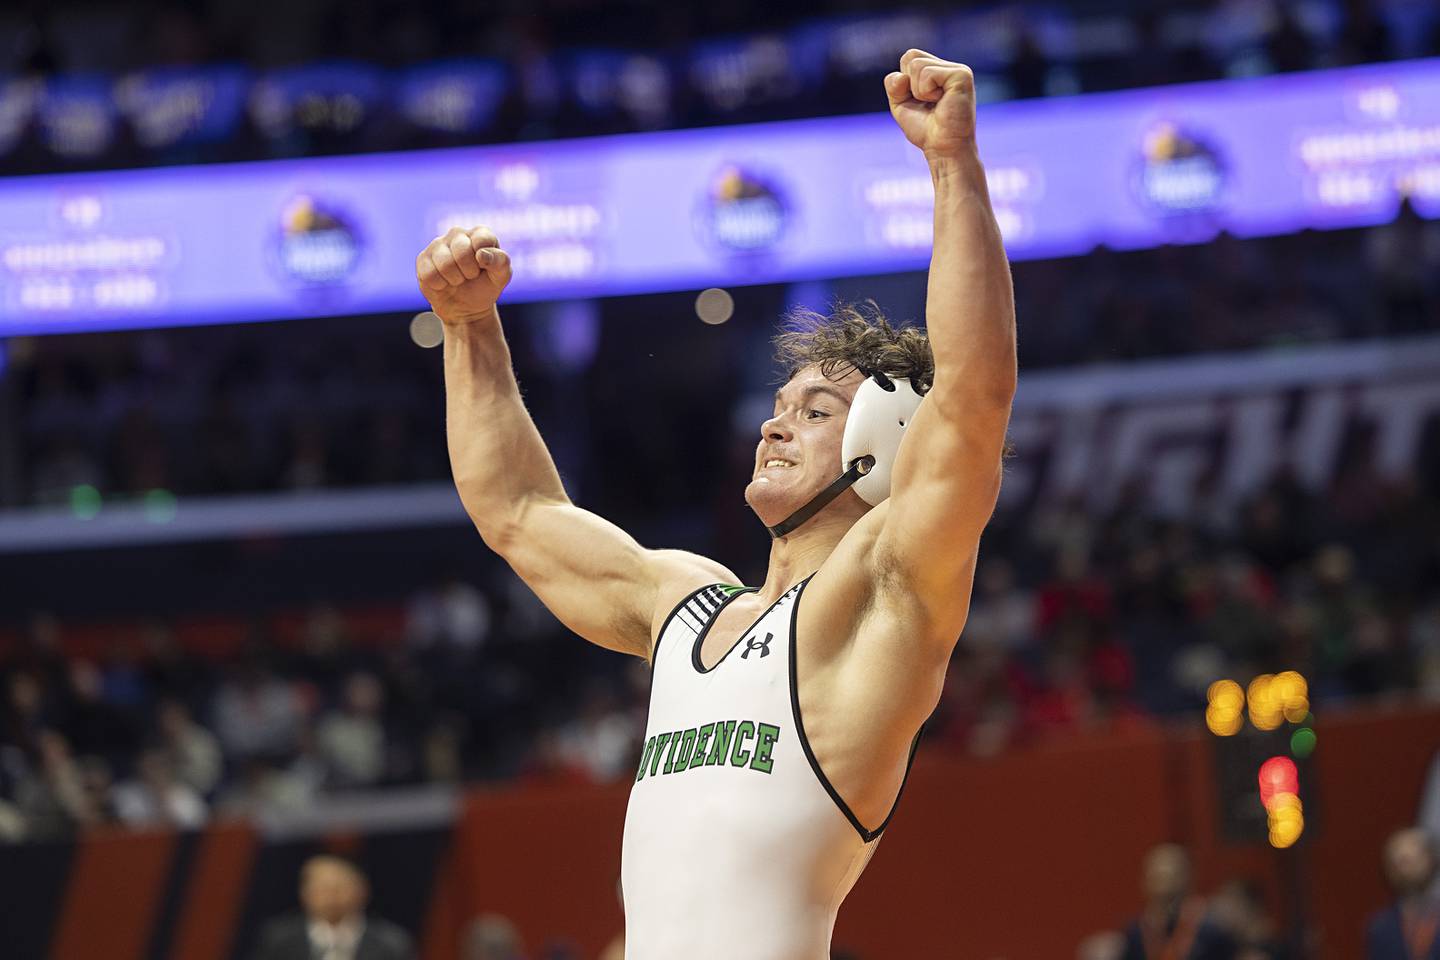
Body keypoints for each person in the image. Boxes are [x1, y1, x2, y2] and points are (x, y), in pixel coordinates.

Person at [417, 48, 1015, 958]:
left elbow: (971, 401)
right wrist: (468, 328)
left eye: (815, 412)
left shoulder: (882, 588)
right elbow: (519, 513)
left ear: (881, 448)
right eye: (776, 409)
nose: (775, 428)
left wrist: (951, 167)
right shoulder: (685, 603)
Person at [250, 855, 414, 960]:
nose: (331, 896)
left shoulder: (392, 943)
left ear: (362, 891)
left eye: (338, 888)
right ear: (304, 893)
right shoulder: (278, 939)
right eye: (322, 888)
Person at [1120, 844, 1236, 960]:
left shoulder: (1211, 930)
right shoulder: (1134, 934)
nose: (1164, 885)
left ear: (1188, 880)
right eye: (1157, 877)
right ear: (1144, 881)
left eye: (1171, 877)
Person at [1366, 828, 1440, 960]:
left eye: (1414, 859)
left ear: (1432, 861)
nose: (1406, 868)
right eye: (1399, 862)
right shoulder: (1381, 928)